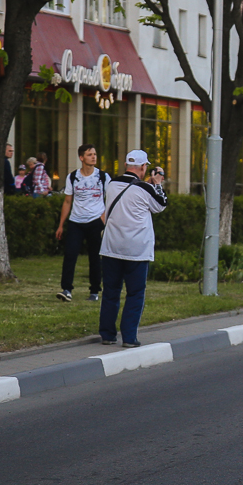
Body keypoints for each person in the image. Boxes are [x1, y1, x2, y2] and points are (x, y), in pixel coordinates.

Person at [98, 150, 167, 347]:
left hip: (111, 247)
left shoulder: (111, 185)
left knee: (111, 292)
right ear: (144, 167)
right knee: (135, 293)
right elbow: (160, 205)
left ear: (127, 165)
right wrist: (158, 184)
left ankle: (107, 334)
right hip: (136, 250)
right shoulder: (145, 189)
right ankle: (129, 337)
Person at [56, 144, 111, 302]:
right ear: (81, 158)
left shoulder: (103, 177)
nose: (93, 157)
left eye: (94, 154)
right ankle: (66, 290)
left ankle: (94, 291)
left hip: (95, 222)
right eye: (89, 154)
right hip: (76, 222)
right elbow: (67, 201)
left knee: (94, 258)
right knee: (70, 255)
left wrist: (103, 218)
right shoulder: (72, 177)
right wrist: (61, 225)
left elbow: (112, 199)